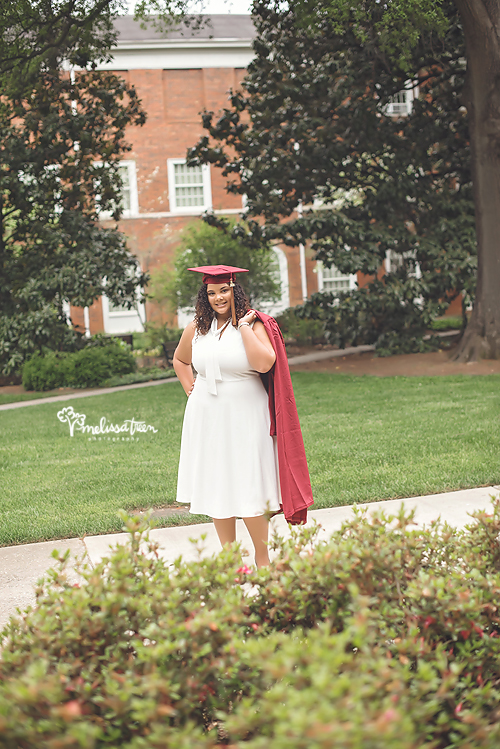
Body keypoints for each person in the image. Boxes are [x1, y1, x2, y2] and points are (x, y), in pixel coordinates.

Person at [173, 264, 313, 568]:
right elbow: (181, 360)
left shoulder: (254, 324)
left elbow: (264, 363)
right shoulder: (197, 328)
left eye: (223, 290)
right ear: (205, 296)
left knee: (250, 483)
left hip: (246, 413)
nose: (218, 298)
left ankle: (263, 561)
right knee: (216, 483)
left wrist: (245, 327)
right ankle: (232, 561)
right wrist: (191, 388)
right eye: (211, 292)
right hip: (207, 416)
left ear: (234, 291)